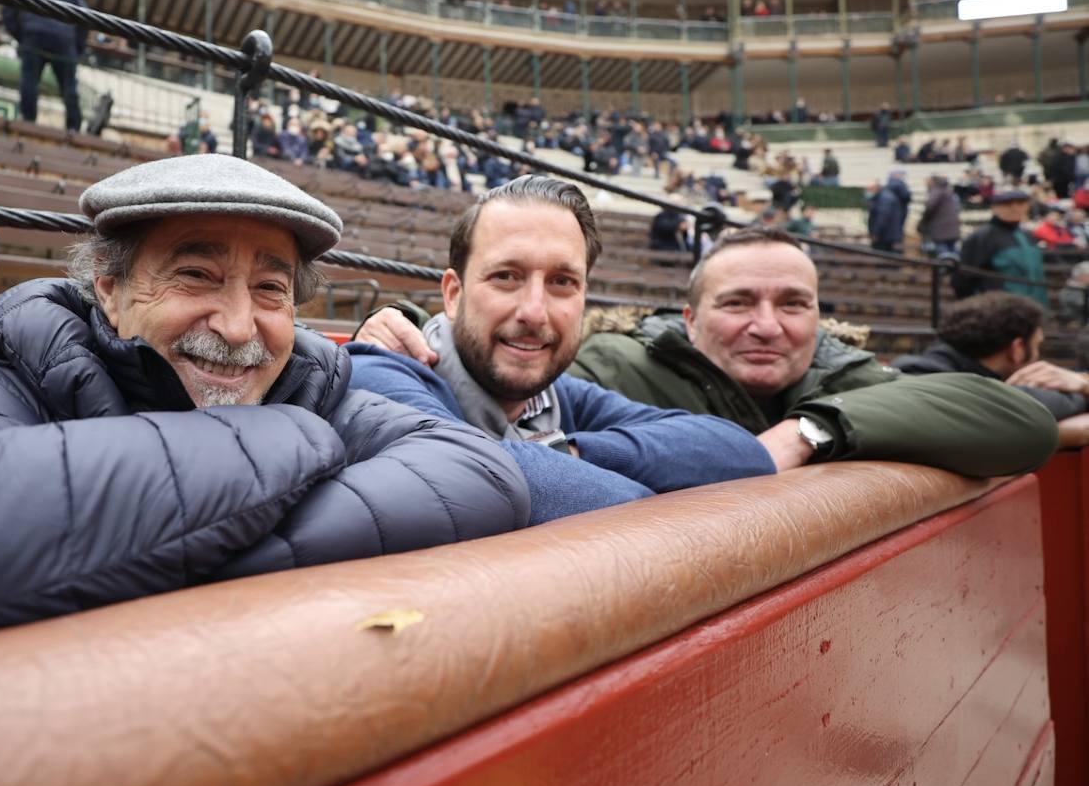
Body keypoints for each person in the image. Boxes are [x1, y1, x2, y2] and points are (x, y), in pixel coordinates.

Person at [0, 154, 531, 656]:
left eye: (269, 288)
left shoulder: (304, 373)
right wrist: (281, 440)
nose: (240, 326)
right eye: (197, 274)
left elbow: (477, 472)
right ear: (109, 286)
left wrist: (135, 559)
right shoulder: (8, 362)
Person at [359, 227, 1058, 479]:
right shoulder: (622, 365)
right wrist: (408, 323)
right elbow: (515, 359)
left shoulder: (844, 375)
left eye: (792, 305)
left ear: (820, 317)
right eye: (737, 303)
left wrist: (809, 432)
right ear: (689, 320)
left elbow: (1022, 425)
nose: (766, 326)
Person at [346, 177, 777, 526]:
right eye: (506, 276)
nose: (535, 312)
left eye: (562, 282)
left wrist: (568, 452)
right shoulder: (382, 372)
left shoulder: (557, 396)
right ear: (454, 295)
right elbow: (466, 471)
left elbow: (741, 452)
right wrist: (645, 491)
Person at [894, 292, 1089, 445]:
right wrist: (1082, 387)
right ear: (1017, 349)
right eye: (1037, 345)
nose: (1038, 355)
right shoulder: (931, 379)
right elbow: (1042, 403)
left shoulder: (916, 368)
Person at [3, 0, 85, 132]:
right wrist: (78, 48)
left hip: (33, 34)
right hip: (64, 39)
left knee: (30, 79)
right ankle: (74, 127)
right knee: (69, 85)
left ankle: (28, 120)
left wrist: (20, 34)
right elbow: (85, 20)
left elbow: (7, 11)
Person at [954, 190, 1048, 305]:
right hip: (1001, 310)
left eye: (1020, 204)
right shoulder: (982, 238)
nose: (1015, 208)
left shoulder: (1027, 235)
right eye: (1008, 204)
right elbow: (963, 280)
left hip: (1034, 306)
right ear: (995, 208)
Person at [917, 175, 961, 259]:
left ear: (933, 182)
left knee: (944, 254)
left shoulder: (936, 191)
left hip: (941, 228)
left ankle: (947, 269)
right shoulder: (947, 191)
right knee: (952, 251)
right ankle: (956, 268)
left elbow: (930, 207)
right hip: (951, 227)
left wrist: (924, 220)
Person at [867, 170, 910, 253]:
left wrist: (876, 232)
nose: (868, 192)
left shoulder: (884, 199)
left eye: (870, 189)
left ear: (876, 187)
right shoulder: (883, 196)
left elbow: (882, 216)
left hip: (886, 236)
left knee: (885, 258)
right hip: (889, 235)